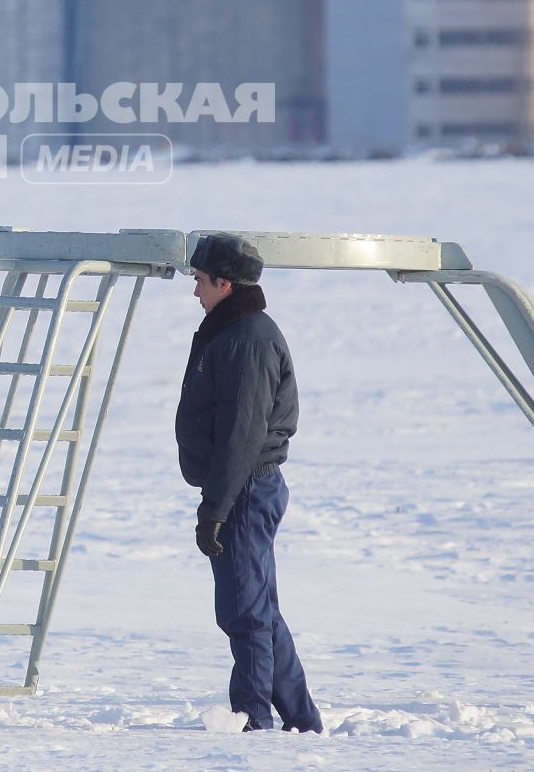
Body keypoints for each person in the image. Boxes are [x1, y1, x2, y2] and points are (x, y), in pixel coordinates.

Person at [174, 231, 322, 734]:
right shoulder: (235, 331)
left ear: (225, 283)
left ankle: (253, 718)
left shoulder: (246, 339)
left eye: (199, 281)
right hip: (243, 486)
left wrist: (216, 508)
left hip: (244, 488)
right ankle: (301, 718)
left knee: (245, 612)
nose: (195, 291)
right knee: (257, 607)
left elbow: (242, 432)